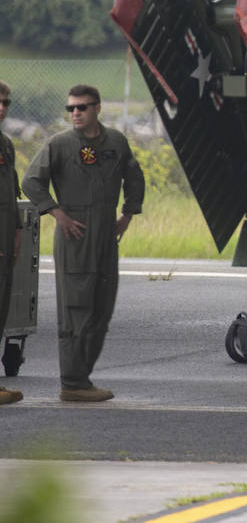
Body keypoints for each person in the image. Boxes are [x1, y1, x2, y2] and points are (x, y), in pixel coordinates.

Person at [22, 84, 144, 402]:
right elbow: (32, 181)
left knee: (102, 307)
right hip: (75, 238)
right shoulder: (60, 145)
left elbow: (134, 176)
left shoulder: (115, 142)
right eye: (71, 108)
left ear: (97, 108)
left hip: (106, 236)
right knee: (76, 309)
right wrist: (57, 213)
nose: (75, 113)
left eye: (82, 107)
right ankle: (73, 382)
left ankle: (83, 378)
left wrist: (128, 214)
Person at [0, 80, 23, 405]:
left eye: (5, 102)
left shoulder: (5, 144)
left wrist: (17, 233)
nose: (1, 108)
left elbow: (10, 194)